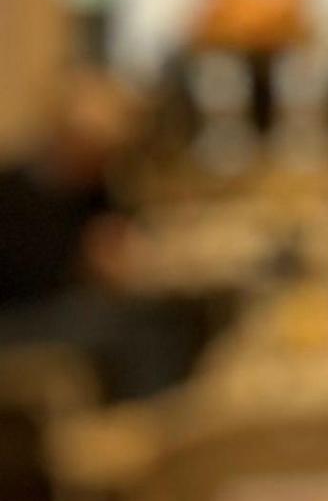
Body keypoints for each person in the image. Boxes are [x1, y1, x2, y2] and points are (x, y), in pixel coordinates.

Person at [0, 73, 190, 403]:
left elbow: (124, 228)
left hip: (71, 302)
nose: (100, 165)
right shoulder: (13, 192)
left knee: (166, 315)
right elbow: (27, 279)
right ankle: (141, 423)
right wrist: (83, 263)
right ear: (68, 141)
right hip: (21, 316)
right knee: (134, 329)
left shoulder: (90, 185)